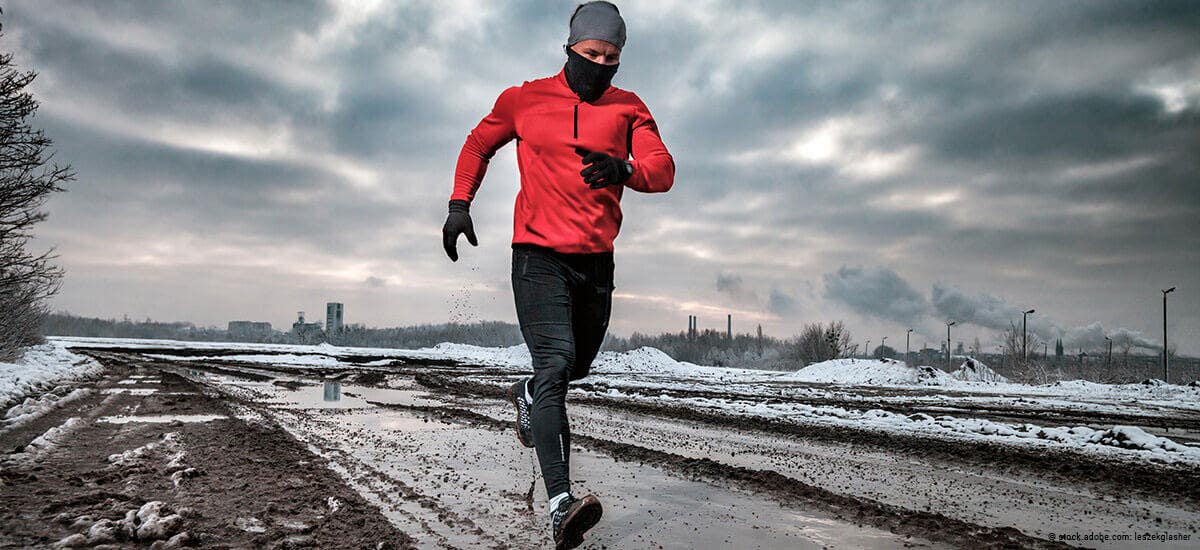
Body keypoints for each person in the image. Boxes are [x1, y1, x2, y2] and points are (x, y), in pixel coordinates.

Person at [441, 2, 674, 548]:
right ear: (570, 48)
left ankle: (526, 392)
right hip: (537, 255)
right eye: (591, 53)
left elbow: (663, 170)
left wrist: (626, 169)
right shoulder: (524, 99)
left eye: (611, 57)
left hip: (596, 262)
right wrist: (459, 204)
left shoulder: (629, 108)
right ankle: (561, 502)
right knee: (556, 364)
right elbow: (479, 143)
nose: (600, 64)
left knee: (578, 365)